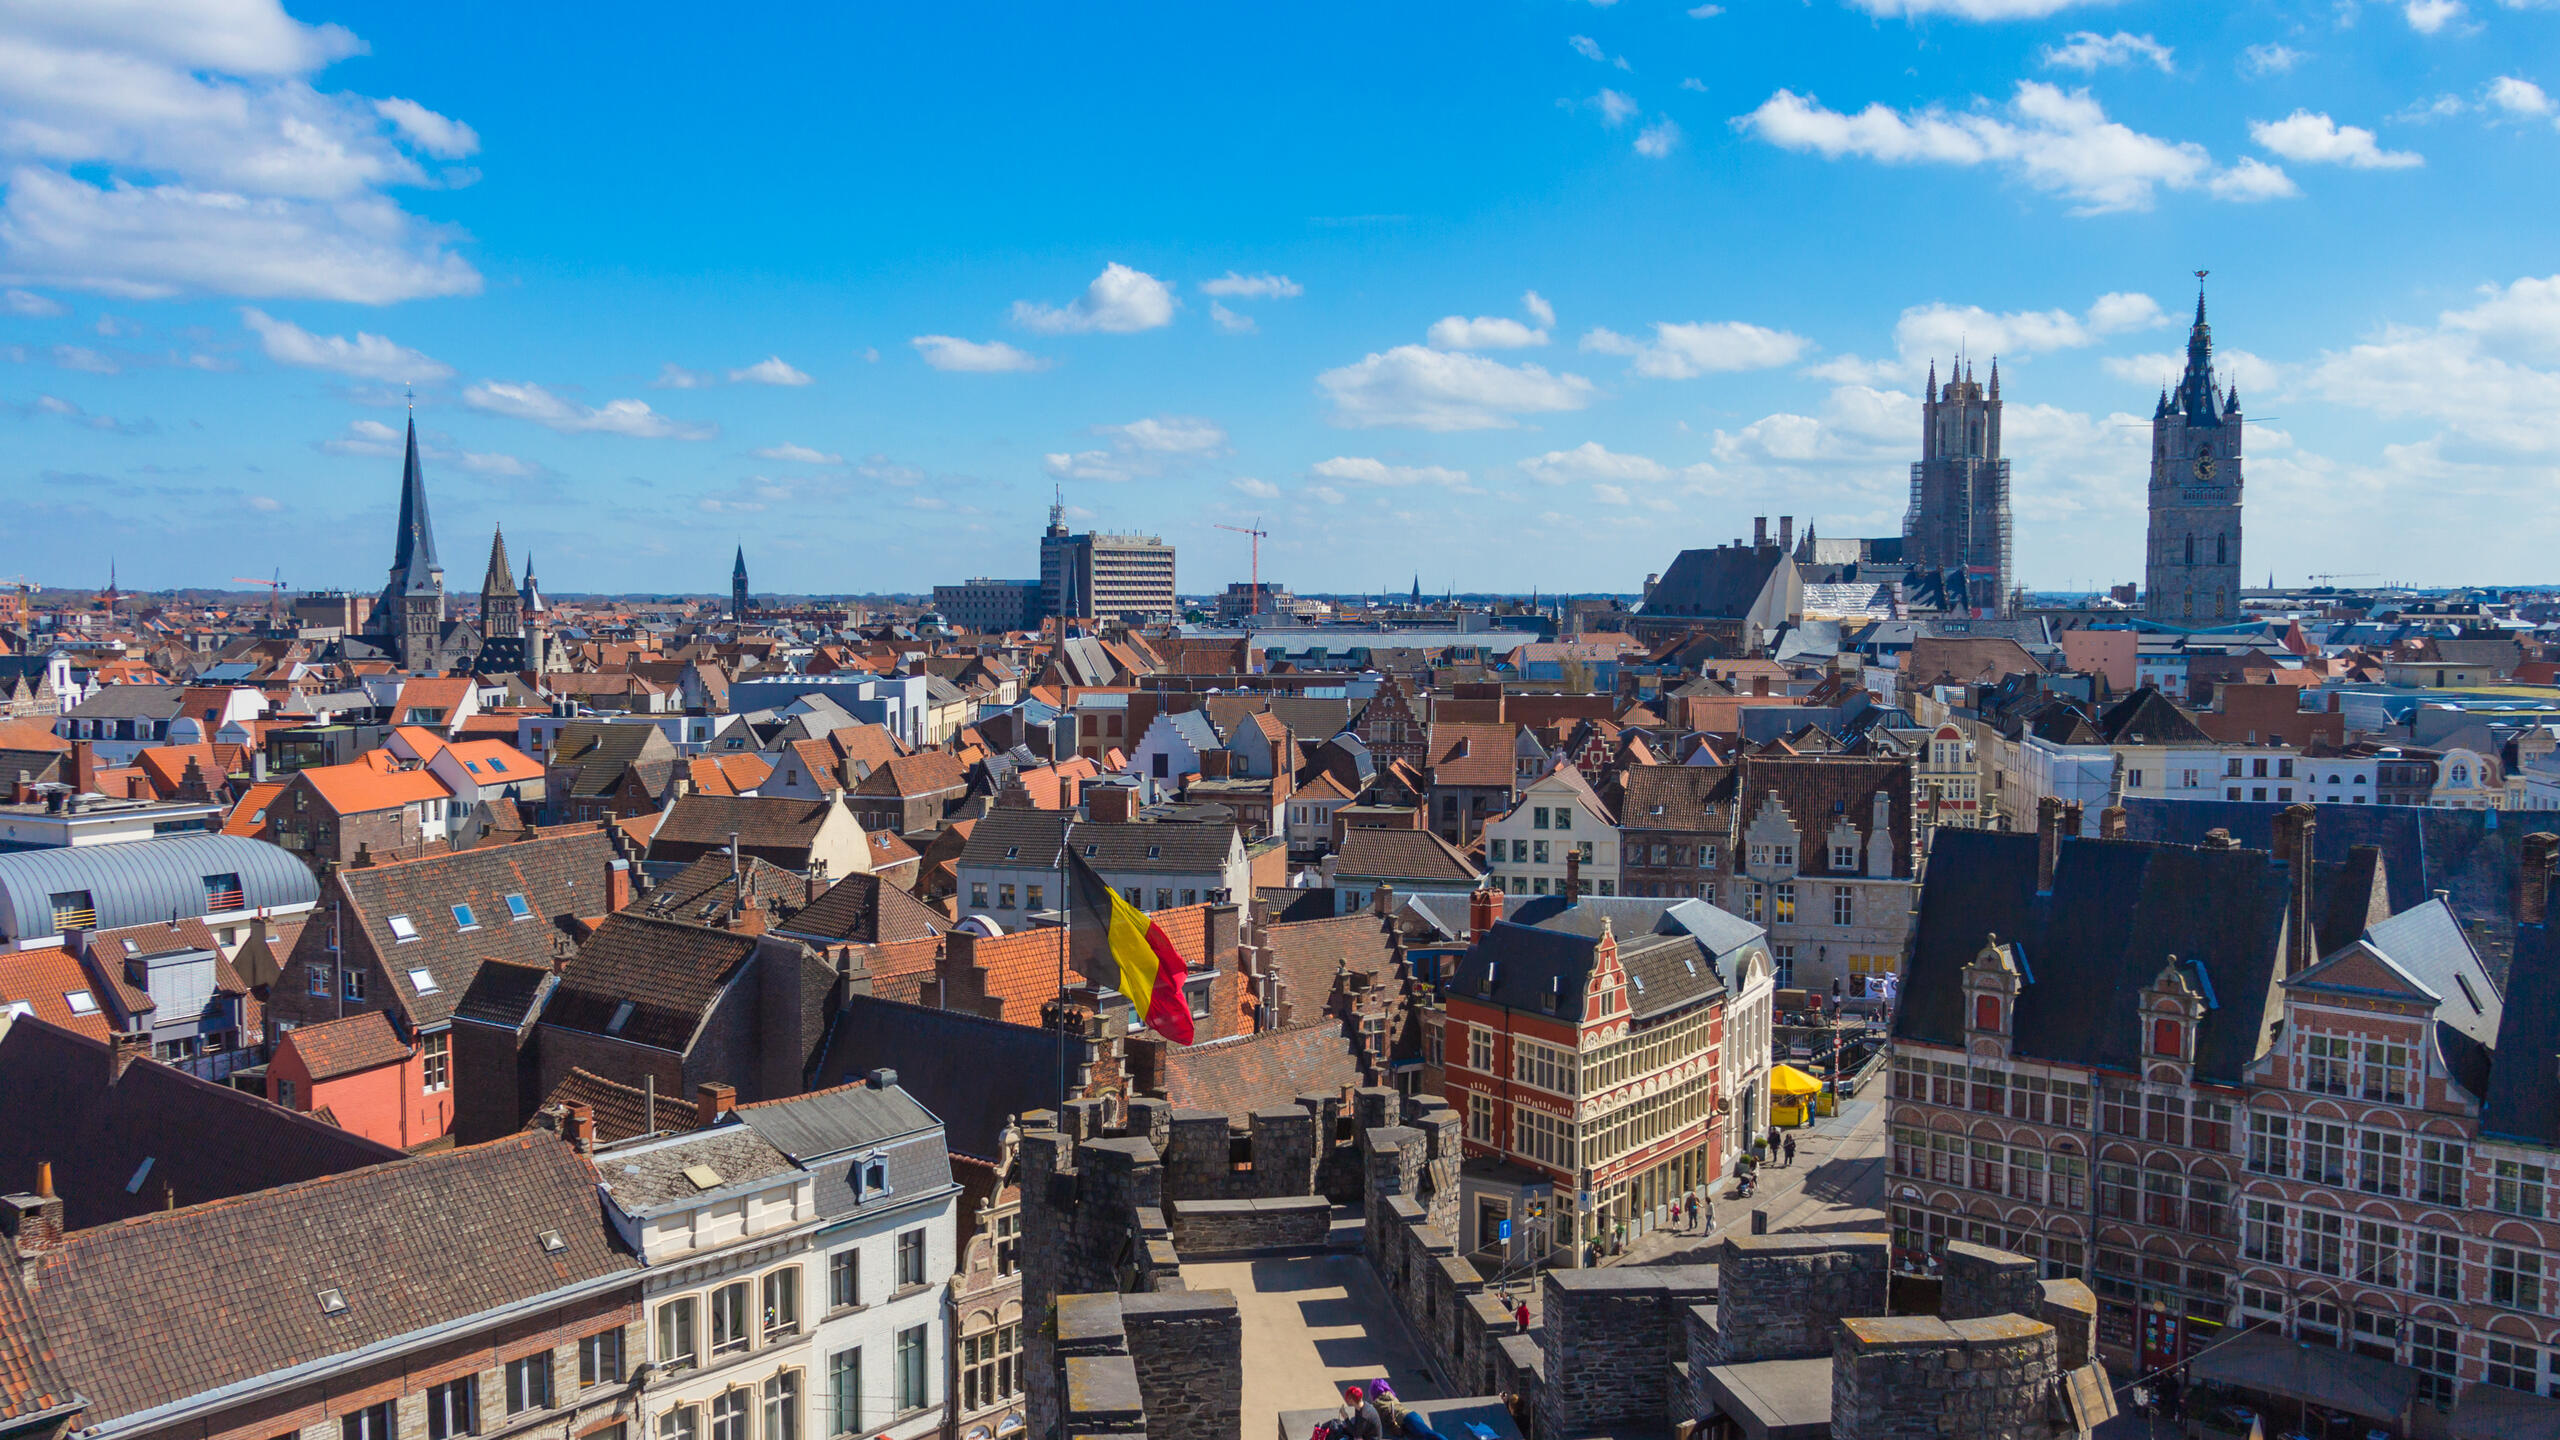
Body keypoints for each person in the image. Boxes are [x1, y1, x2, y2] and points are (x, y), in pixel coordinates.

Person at [1368, 1378, 1448, 1440]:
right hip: (1410, 1416)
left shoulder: (1377, 1403)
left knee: (1428, 1435)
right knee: (1425, 1436)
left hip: (1406, 1419)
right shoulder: (1390, 1395)